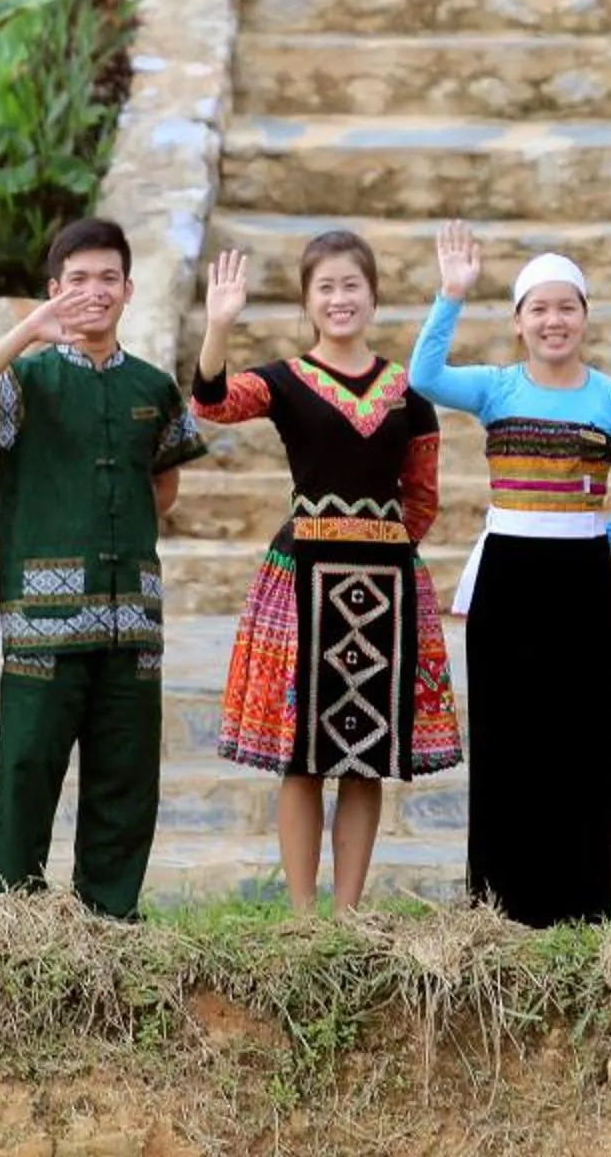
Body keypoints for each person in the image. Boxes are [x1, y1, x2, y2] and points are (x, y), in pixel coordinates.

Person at [0, 216, 205, 919]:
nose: (94, 292)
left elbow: (166, 483)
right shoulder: (23, 379)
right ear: (54, 290)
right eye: (77, 280)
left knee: (126, 780)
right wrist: (28, 330)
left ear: (128, 289)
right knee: (27, 771)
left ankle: (110, 921)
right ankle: (11, 923)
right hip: (41, 630)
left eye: (107, 278)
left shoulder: (153, 386)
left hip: (133, 629)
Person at [193, 233, 461, 913]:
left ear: (372, 296)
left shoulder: (409, 392)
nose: (339, 299)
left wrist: (383, 547)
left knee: (367, 756)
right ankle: (304, 916)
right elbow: (212, 404)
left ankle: (347, 910)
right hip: (303, 582)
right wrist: (219, 325)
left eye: (351, 286)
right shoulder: (283, 381)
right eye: (326, 288)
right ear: (307, 301)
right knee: (303, 753)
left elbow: (422, 497)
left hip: (385, 590)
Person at [410, 221, 611, 926]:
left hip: (579, 582)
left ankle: (580, 910)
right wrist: (451, 295)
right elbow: (423, 377)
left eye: (567, 307)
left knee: (580, 742)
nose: (554, 321)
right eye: (539, 309)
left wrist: (588, 540)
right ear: (519, 322)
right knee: (506, 739)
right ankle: (500, 907)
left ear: (585, 316)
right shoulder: (496, 388)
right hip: (508, 580)